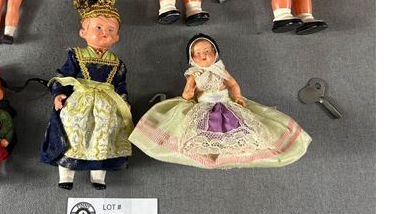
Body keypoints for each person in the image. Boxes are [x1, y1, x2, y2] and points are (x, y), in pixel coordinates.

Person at [129, 34, 311, 169]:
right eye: (197, 53)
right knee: (201, 128)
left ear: (215, 53)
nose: (203, 56)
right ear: (192, 58)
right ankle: (209, 153)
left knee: (238, 125)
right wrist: (187, 95)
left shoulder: (221, 71)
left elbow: (233, 84)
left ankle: (235, 151)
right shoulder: (194, 74)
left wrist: (238, 96)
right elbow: (187, 92)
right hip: (204, 106)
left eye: (207, 52)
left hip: (226, 104)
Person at [40, 0, 133, 190]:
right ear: (83, 32)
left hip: (106, 105)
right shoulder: (76, 55)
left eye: (110, 30)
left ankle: (98, 175)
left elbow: (120, 84)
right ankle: (66, 174)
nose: (104, 33)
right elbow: (64, 75)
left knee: (104, 135)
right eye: (98, 28)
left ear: (116, 37)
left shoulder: (117, 63)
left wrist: (124, 100)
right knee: (73, 131)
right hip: (79, 101)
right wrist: (59, 93)